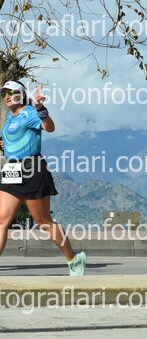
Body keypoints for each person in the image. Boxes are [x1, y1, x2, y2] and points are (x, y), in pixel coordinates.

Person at [0, 81, 86, 275]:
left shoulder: (30, 112)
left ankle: (74, 259)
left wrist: (41, 108)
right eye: (4, 93)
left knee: (44, 222)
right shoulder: (10, 117)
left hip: (32, 169)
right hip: (12, 170)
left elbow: (49, 127)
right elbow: (10, 139)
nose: (7, 96)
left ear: (22, 95)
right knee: (2, 221)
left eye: (11, 92)